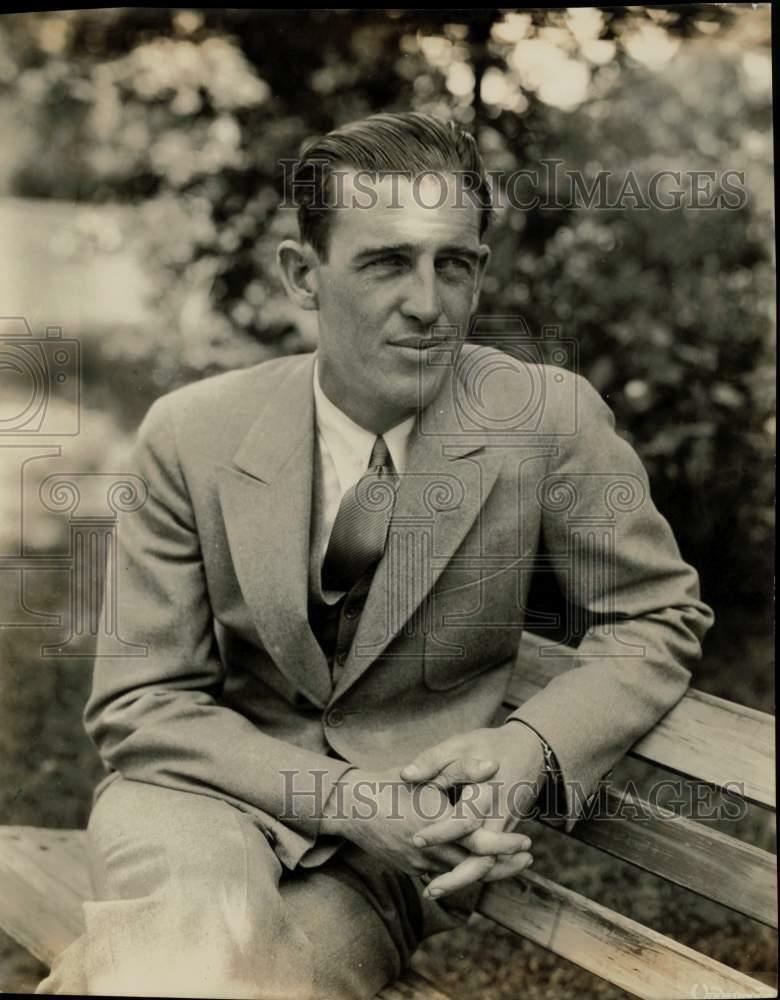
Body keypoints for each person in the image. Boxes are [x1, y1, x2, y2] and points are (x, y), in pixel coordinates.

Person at [38, 112, 714, 999]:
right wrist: (349, 799)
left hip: (386, 867)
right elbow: (142, 701)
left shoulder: (545, 419)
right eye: (387, 261)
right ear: (301, 275)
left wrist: (527, 748)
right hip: (192, 804)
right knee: (203, 946)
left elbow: (656, 614)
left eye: (454, 264)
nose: (429, 304)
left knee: (210, 975)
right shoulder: (192, 433)